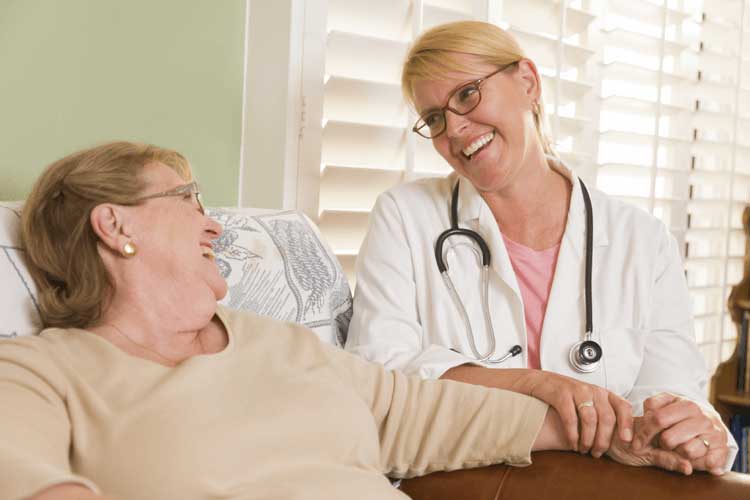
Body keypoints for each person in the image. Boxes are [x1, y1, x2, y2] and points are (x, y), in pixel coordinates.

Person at [0, 142, 689, 500]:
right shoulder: (43, 371)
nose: (212, 221)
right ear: (115, 224)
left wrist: (627, 435)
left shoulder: (286, 346)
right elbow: (17, 471)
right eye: (188, 198)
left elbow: (445, 415)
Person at [345, 20, 736, 474]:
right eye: (434, 118)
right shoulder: (404, 216)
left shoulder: (642, 240)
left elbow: (670, 392)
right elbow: (378, 378)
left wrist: (687, 430)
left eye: (467, 95)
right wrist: (536, 385)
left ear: (528, 82)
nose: (453, 129)